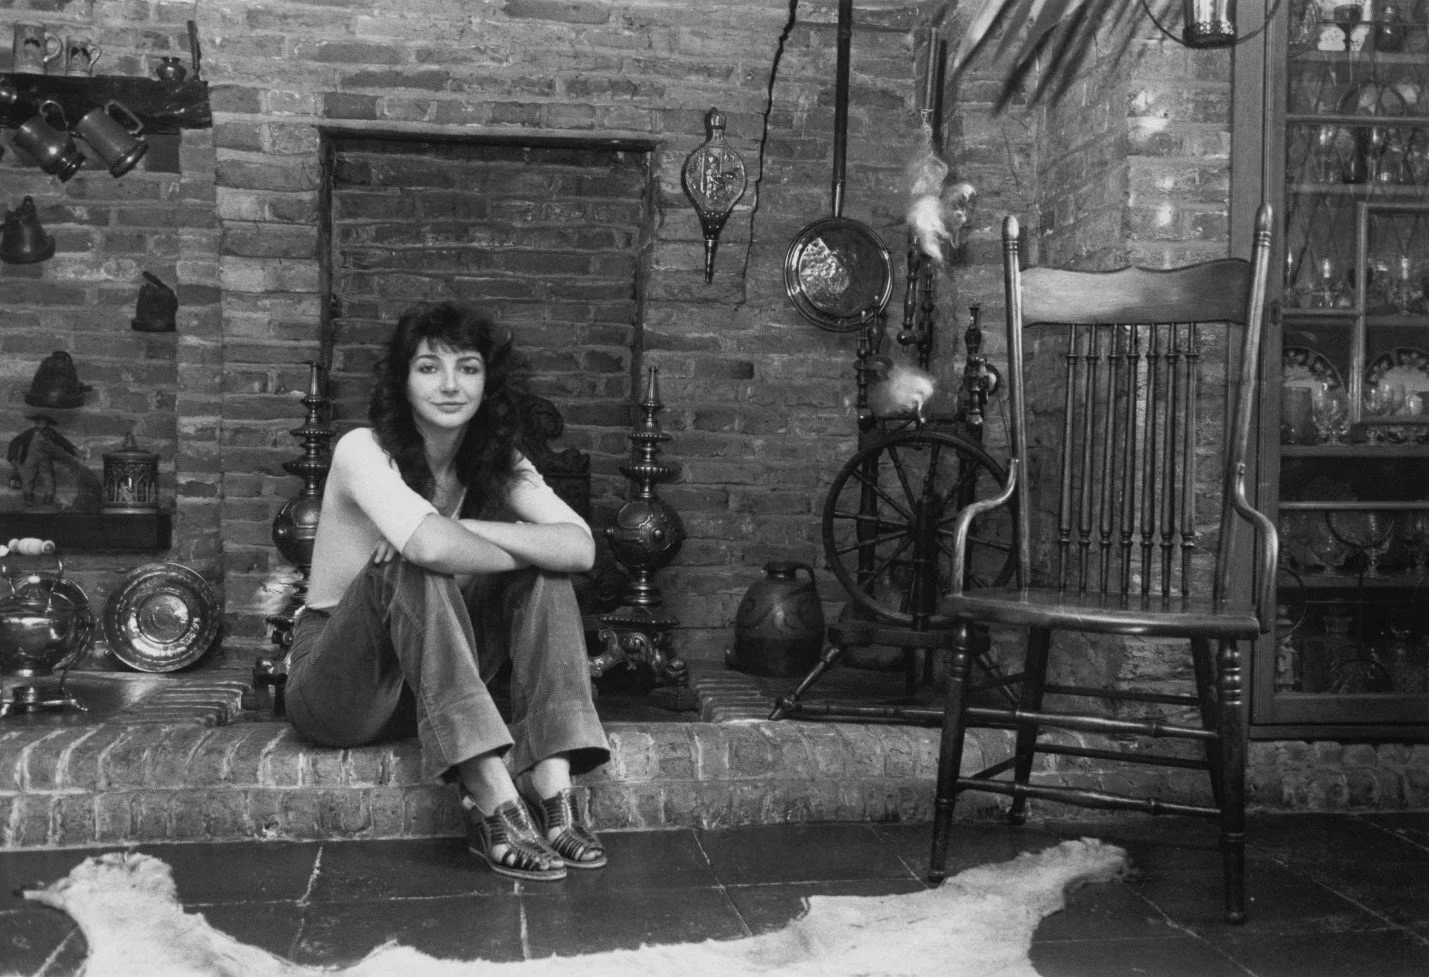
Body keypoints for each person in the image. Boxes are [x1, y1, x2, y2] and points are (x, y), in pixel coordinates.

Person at [284, 301, 609, 881]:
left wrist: (471, 531)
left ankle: (551, 779)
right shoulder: (362, 448)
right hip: (341, 686)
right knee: (404, 566)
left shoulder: (499, 460)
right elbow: (428, 551)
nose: (451, 385)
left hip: (432, 690)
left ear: (489, 382)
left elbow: (581, 548)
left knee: (547, 573)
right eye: (429, 368)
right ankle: (492, 799)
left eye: (469, 368)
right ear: (403, 381)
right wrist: (506, 542)